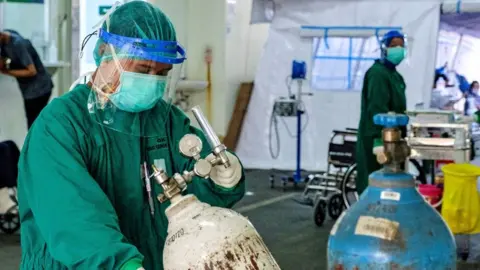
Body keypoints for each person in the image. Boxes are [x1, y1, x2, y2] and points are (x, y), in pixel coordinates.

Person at [17, 2, 245, 270]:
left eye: (162, 74)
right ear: (105, 54)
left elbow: (196, 188)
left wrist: (222, 180)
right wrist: (120, 264)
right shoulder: (61, 125)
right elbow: (71, 215)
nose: (152, 81)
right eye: (142, 69)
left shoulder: (165, 120)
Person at [355, 30, 407, 195]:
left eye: (401, 46)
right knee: (374, 183)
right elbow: (377, 109)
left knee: (390, 184)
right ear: (384, 48)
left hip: (393, 136)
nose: (398, 49)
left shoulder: (395, 76)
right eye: (393, 46)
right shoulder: (377, 74)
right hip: (378, 137)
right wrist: (379, 139)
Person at [0, 29, 54, 128]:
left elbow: (31, 71)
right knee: (35, 125)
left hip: (39, 89)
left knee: (34, 126)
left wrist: (8, 72)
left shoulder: (18, 44)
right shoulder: (6, 39)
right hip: (30, 90)